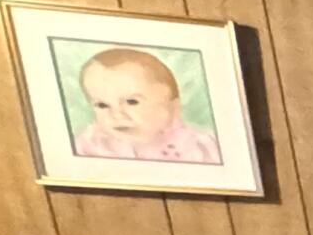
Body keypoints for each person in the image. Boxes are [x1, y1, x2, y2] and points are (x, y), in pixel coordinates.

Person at [70, 47, 221, 164]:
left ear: (173, 108)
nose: (117, 115)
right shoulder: (89, 146)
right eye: (102, 105)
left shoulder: (201, 147)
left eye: (132, 102)